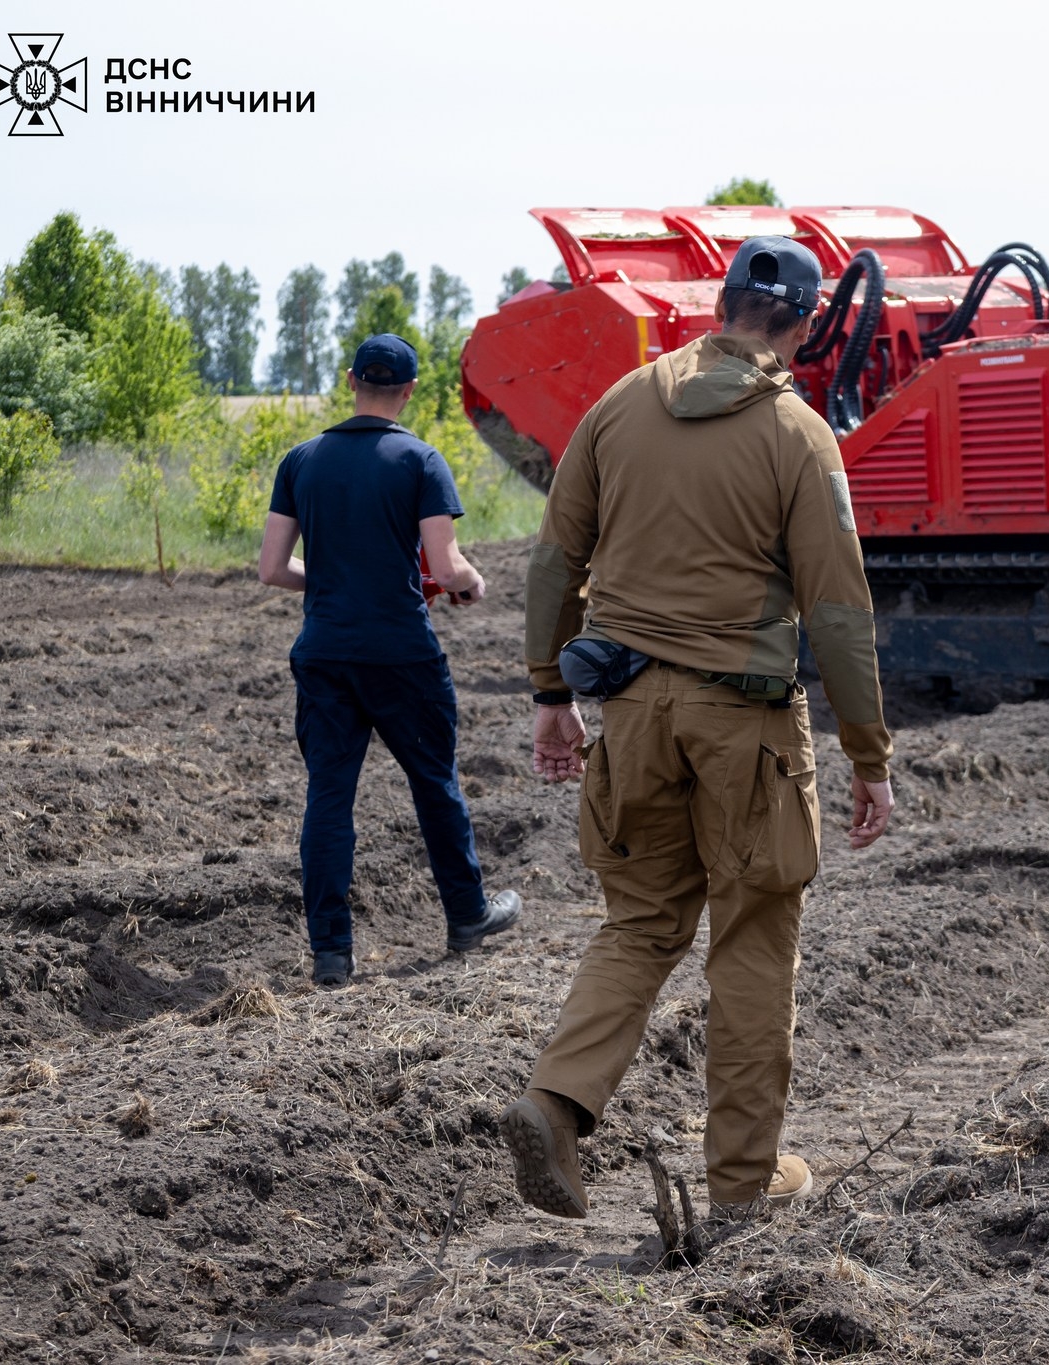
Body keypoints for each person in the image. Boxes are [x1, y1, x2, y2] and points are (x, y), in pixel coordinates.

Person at [500, 236, 895, 1223]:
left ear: (716, 306)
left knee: (640, 923)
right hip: (746, 726)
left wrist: (552, 695)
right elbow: (839, 610)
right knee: (752, 944)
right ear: (804, 327)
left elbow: (553, 564)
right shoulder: (798, 435)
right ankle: (740, 1189)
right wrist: (867, 754)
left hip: (627, 714)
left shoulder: (618, 405)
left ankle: (555, 1100)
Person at [259, 333, 522, 987]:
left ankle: (331, 953)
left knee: (329, 796)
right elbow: (446, 566)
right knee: (434, 783)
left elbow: (270, 568)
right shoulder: (420, 460)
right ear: (407, 392)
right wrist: (471, 583)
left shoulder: (301, 460)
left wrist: (330, 582)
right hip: (402, 653)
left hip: (324, 652)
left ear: (351, 380)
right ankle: (467, 916)